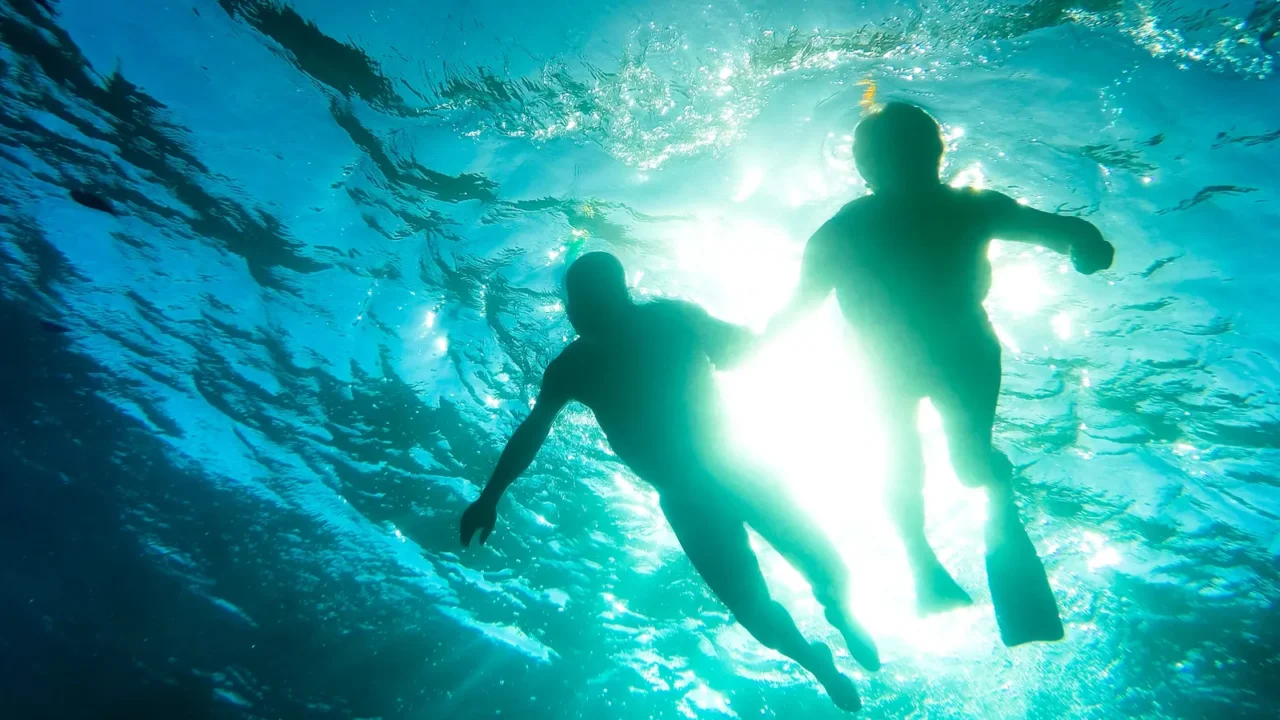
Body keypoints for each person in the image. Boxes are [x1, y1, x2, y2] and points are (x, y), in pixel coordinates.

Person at [460, 252, 880, 712]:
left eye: (586, 298)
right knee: (754, 611)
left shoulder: (671, 319)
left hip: (739, 467)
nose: (577, 310)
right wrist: (489, 496)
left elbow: (741, 351)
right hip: (689, 498)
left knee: (824, 565)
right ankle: (815, 662)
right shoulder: (571, 366)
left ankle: (843, 613)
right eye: (574, 301)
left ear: (620, 293)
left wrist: (767, 338)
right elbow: (532, 431)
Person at [767, 102, 1114, 647]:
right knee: (952, 461)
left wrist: (751, 347)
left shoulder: (848, 229)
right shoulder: (957, 210)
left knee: (913, 461)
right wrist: (1088, 246)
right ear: (933, 153)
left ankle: (928, 557)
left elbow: (794, 314)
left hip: (909, 361)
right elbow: (1063, 230)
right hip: (946, 355)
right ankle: (951, 537)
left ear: (867, 167)